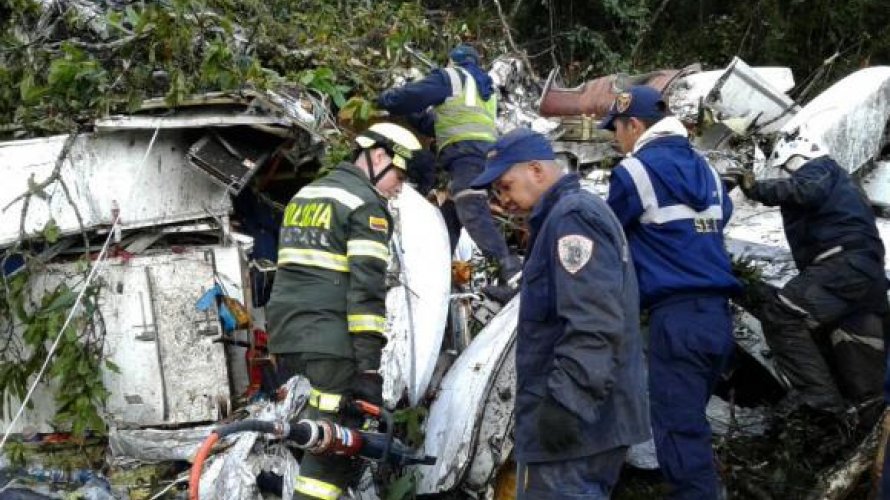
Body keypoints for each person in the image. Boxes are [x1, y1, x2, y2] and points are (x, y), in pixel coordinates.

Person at [470, 128, 650, 499]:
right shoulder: (564, 217)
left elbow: (594, 323)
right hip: (587, 424)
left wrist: (566, 406)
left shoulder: (573, 218)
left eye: (506, 185)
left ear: (536, 170)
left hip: (578, 429)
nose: (504, 200)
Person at [266, 122, 422, 500]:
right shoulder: (367, 205)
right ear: (379, 156)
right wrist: (369, 368)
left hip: (287, 337)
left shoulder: (306, 194)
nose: (398, 187)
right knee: (336, 446)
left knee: (311, 432)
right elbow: (366, 295)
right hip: (331, 343)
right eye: (398, 176)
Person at [601, 85, 742, 499]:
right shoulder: (708, 171)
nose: (615, 139)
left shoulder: (634, 172)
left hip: (676, 320)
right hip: (717, 319)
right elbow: (720, 219)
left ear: (635, 124)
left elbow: (609, 234)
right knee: (690, 425)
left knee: (679, 436)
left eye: (617, 129)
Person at [724, 135, 888, 413]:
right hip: (863, 275)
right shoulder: (844, 184)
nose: (788, 176)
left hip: (843, 266)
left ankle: (817, 394)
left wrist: (755, 189)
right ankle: (859, 410)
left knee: (783, 313)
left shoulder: (821, 169)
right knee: (848, 342)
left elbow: (803, 189)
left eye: (787, 170)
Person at [376, 44, 521, 285]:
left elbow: (411, 96)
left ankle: (511, 271)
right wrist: (414, 117)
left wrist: (385, 100)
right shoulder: (484, 88)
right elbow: (444, 125)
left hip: (466, 156)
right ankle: (436, 276)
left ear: (452, 61)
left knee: (471, 211)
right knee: (447, 221)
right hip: (481, 157)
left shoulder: (451, 77)